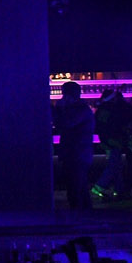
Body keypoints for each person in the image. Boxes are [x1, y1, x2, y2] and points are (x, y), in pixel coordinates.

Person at [53, 80, 95, 210]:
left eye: (64, 94)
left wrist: (59, 108)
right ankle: (85, 216)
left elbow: (65, 124)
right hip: (78, 154)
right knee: (79, 188)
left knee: (75, 189)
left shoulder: (80, 110)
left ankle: (78, 216)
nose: (62, 97)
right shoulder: (81, 109)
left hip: (77, 154)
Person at [91, 87, 132, 201]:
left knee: (116, 164)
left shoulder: (102, 108)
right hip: (113, 140)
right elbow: (114, 125)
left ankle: (119, 189)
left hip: (107, 140)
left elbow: (100, 126)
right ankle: (99, 186)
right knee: (114, 164)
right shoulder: (111, 108)